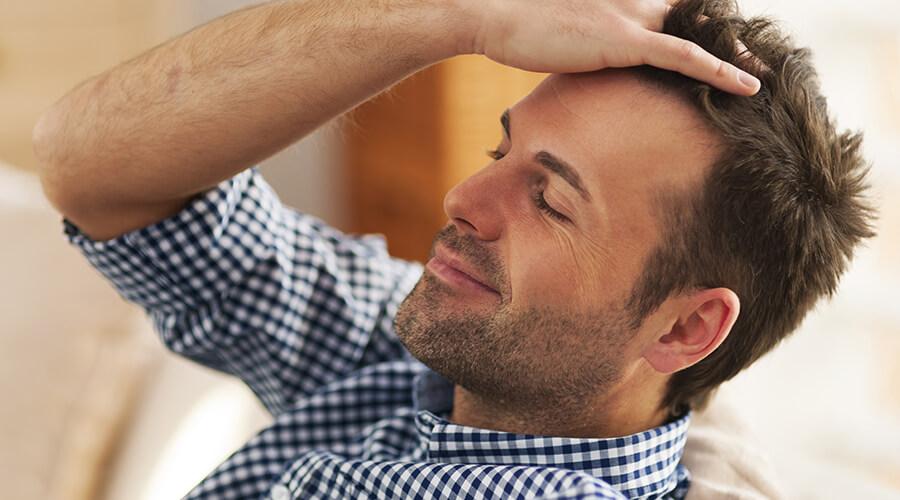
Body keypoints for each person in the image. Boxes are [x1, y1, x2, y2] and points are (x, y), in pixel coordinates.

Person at [33, 0, 873, 498]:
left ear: (686, 330)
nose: (463, 202)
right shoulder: (436, 361)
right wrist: (460, 18)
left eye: (549, 199)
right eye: (498, 153)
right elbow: (89, 165)